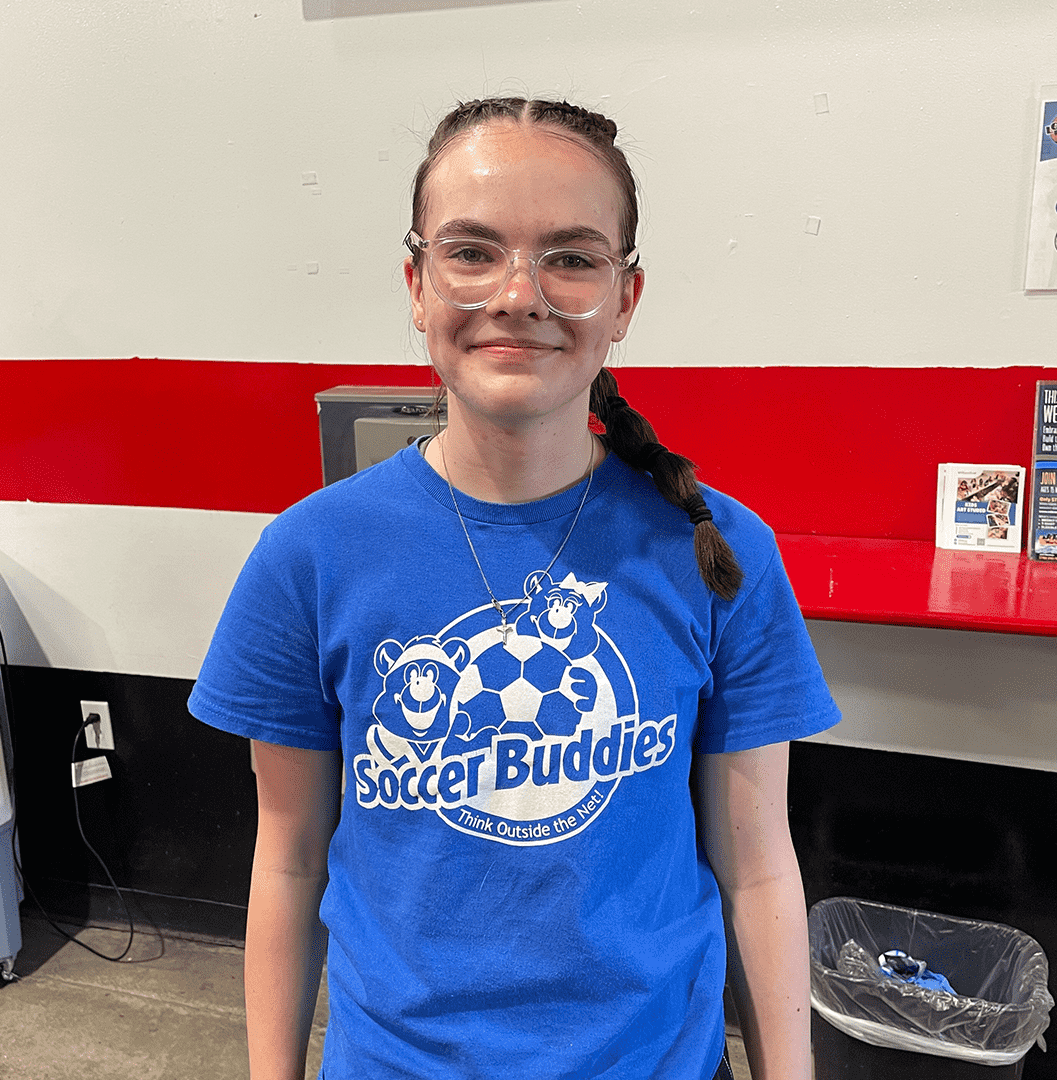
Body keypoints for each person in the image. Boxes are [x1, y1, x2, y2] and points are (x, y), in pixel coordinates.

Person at [189, 96, 840, 1080]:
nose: (518, 293)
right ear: (416, 283)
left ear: (625, 298)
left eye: (572, 257)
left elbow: (756, 869)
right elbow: (288, 864)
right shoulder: (310, 557)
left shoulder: (716, 551)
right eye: (473, 251)